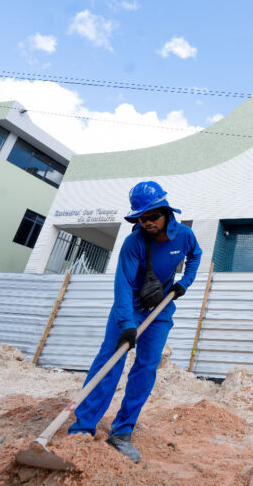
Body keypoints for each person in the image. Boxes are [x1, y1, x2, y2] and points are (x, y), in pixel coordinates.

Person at [68, 181, 202, 462]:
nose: (148, 222)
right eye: (142, 217)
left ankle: (122, 432)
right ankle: (82, 427)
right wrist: (127, 324)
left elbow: (196, 256)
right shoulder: (133, 243)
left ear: (166, 212)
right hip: (129, 306)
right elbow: (123, 285)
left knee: (146, 367)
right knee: (110, 360)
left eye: (153, 216)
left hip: (160, 309)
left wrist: (184, 284)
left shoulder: (185, 236)